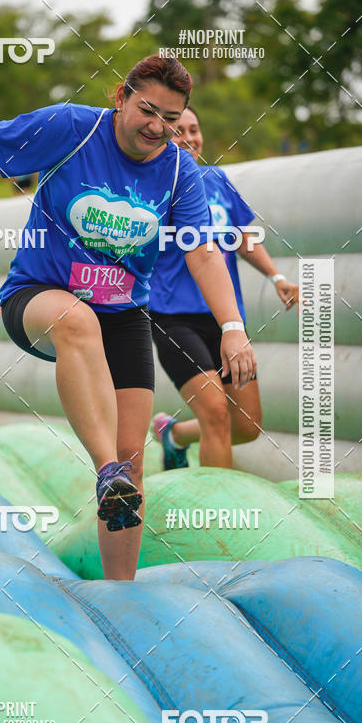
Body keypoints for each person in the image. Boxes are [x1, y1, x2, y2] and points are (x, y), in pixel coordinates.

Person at [0, 55, 256, 581]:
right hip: (40, 296)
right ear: (120, 96)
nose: (156, 126)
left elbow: (203, 252)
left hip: (124, 315)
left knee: (134, 457)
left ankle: (120, 589)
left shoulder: (180, 171)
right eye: (147, 109)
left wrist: (233, 327)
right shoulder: (73, 127)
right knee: (78, 323)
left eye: (170, 117)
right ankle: (105, 470)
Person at [149, 106, 299, 470]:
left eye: (194, 129)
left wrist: (276, 277)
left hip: (226, 319)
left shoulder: (217, 180)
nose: (189, 137)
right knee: (215, 412)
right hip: (173, 317)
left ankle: (174, 434)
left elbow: (242, 237)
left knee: (246, 426)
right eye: (178, 129)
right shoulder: (149, 187)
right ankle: (217, 520)